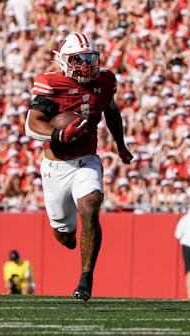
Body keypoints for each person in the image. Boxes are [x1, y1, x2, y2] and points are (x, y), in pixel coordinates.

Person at [25, 33, 133, 301]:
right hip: (56, 166)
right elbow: (32, 123)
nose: (86, 65)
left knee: (90, 207)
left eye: (90, 59)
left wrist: (120, 144)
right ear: (64, 61)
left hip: (87, 159)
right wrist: (58, 134)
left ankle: (86, 280)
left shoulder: (105, 81)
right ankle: (68, 234)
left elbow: (111, 109)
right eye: (79, 60)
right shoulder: (52, 83)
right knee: (64, 235)